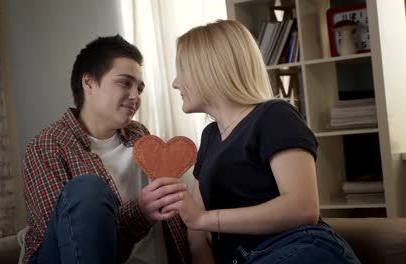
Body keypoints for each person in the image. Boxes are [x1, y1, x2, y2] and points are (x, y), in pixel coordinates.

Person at [164, 20, 360, 264]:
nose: (175, 83)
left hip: (298, 247)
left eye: (181, 69)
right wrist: (198, 230)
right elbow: (196, 233)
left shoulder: (273, 115)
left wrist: (203, 219)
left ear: (210, 68)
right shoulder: (210, 137)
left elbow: (302, 208)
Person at [21, 35, 190, 264]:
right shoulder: (48, 146)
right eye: (125, 83)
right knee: (87, 188)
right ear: (89, 83)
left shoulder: (141, 136)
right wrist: (140, 211)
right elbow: (71, 242)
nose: (135, 97)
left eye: (139, 88)